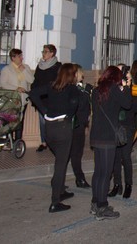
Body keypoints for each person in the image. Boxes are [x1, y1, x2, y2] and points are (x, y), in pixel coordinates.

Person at [28, 63, 85, 213]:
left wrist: (44, 110)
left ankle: (60, 190)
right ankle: (55, 201)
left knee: (61, 159)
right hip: (63, 128)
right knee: (60, 164)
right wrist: (69, 114)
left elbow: (33, 93)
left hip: (49, 128)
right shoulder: (72, 88)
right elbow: (74, 102)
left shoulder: (51, 85)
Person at [89, 66, 132, 220]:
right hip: (107, 137)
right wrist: (126, 87)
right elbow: (127, 104)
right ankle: (102, 206)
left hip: (96, 135)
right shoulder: (114, 90)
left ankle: (95, 203)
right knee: (106, 173)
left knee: (98, 172)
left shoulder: (97, 90)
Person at [110, 64, 135, 199]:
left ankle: (128, 185)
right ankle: (117, 184)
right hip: (115, 126)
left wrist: (127, 88)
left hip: (127, 127)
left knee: (125, 157)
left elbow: (133, 107)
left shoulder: (132, 89)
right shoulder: (114, 89)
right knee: (115, 157)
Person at [0, 48, 34, 141]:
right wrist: (16, 88)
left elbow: (31, 80)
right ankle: (8, 140)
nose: (21, 58)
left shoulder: (25, 67)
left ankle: (18, 141)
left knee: (20, 120)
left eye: (21, 56)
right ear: (13, 58)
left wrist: (24, 71)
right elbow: (3, 83)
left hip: (23, 99)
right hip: (11, 99)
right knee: (10, 120)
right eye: (19, 56)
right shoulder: (6, 69)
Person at [31, 44, 62, 152]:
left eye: (45, 51)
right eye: (43, 51)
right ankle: (44, 142)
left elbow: (58, 82)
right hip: (41, 98)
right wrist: (33, 92)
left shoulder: (57, 66)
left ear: (52, 53)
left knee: (53, 121)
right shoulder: (40, 66)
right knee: (42, 121)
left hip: (52, 98)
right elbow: (36, 80)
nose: (43, 54)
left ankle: (54, 141)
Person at [70, 65, 92, 189]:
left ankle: (78, 178)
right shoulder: (72, 89)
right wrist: (87, 92)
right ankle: (80, 179)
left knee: (75, 153)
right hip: (74, 125)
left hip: (79, 124)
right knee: (75, 153)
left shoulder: (77, 88)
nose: (82, 75)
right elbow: (81, 104)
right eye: (80, 73)